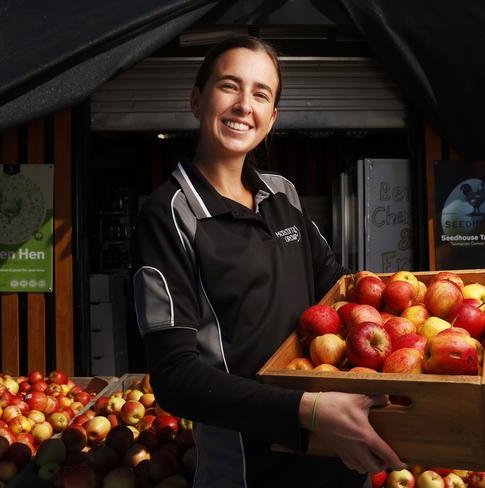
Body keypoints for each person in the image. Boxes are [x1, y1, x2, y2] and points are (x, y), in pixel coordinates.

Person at [132, 35, 404, 487]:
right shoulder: (169, 215)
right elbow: (174, 376)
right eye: (228, 87)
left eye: (261, 93)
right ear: (197, 99)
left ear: (272, 118)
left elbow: (338, 293)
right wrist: (308, 411)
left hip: (340, 458)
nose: (244, 105)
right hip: (250, 473)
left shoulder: (282, 195)